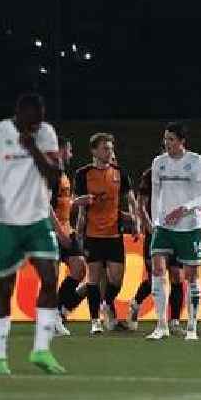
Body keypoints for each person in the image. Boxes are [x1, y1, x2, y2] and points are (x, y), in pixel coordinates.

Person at [0, 92, 65, 375]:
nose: (37, 126)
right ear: (19, 114)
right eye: (32, 122)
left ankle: (42, 350)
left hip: (37, 220)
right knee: (5, 287)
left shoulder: (45, 134)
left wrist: (32, 147)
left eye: (40, 121)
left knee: (50, 278)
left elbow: (54, 176)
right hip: (5, 222)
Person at [147, 122, 201, 341]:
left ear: (182, 141)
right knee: (157, 269)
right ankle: (161, 325)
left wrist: (184, 208)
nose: (167, 143)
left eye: (171, 139)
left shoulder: (196, 162)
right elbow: (156, 194)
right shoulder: (159, 163)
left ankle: (191, 325)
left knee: (191, 277)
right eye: (165, 139)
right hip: (164, 227)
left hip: (189, 226)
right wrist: (156, 221)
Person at [74, 133, 137, 335]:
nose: (109, 152)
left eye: (110, 148)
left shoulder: (119, 172)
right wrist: (81, 206)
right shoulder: (83, 174)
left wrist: (135, 220)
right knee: (93, 278)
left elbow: (131, 198)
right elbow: (76, 201)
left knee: (116, 279)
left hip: (114, 234)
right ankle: (95, 321)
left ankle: (106, 303)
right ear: (94, 151)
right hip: (92, 233)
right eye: (105, 148)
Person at [128, 163, 184, 334]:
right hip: (156, 233)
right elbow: (141, 205)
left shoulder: (183, 173)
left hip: (177, 233)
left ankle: (174, 321)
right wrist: (151, 229)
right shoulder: (150, 175)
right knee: (156, 277)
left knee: (177, 276)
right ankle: (136, 304)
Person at [52, 136, 91, 336]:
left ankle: (58, 313)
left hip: (67, 230)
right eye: (69, 150)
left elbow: (62, 201)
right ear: (59, 150)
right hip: (53, 231)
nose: (71, 154)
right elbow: (45, 206)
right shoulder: (49, 172)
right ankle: (54, 317)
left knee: (79, 269)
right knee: (53, 276)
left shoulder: (61, 173)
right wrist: (59, 233)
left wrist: (76, 201)